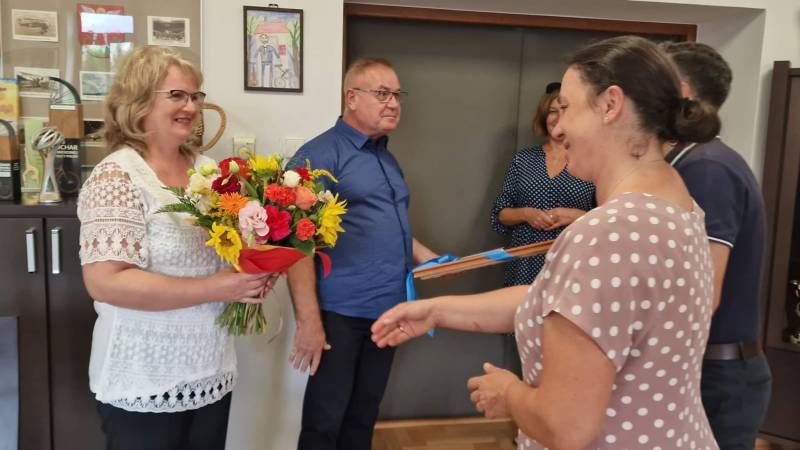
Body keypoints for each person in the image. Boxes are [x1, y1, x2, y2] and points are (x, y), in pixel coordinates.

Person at [372, 35, 722, 450]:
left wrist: (508, 393)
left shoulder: (607, 232)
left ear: (610, 105)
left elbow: (566, 425)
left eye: (567, 108)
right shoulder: (680, 206)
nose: (557, 127)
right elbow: (556, 303)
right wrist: (437, 310)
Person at [77, 46, 277, 450]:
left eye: (195, 96)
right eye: (177, 95)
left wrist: (251, 275)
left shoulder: (209, 172)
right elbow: (105, 282)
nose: (191, 106)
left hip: (210, 367)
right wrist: (219, 288)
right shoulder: (118, 176)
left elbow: (229, 253)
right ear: (139, 102)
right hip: (143, 376)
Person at [286, 57, 437, 450]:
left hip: (387, 310)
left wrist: (429, 258)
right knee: (325, 420)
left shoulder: (385, 157)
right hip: (341, 312)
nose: (394, 104)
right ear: (351, 98)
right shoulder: (320, 155)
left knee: (364, 414)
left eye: (397, 95)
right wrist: (308, 322)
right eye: (382, 94)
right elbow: (295, 244)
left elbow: (385, 224)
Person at [662, 41, 771, 450]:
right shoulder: (694, 162)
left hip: (718, 377)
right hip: (707, 369)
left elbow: (703, 295)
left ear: (682, 92)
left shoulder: (707, 168)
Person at [491, 82, 596, 287]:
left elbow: (610, 218)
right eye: (552, 111)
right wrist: (526, 214)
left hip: (572, 261)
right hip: (524, 265)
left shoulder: (590, 162)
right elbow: (500, 214)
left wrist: (576, 216)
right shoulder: (523, 160)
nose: (558, 118)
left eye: (565, 110)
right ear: (543, 116)